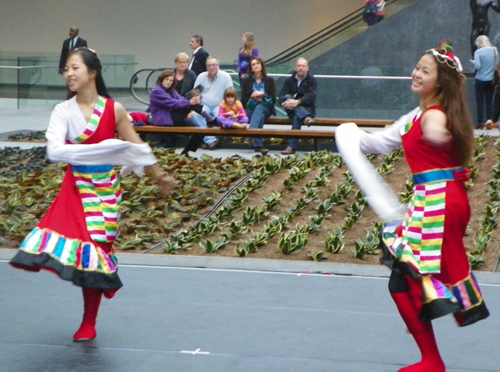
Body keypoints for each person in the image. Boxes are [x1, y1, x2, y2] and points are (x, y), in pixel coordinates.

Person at [336, 47, 489, 372]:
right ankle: (428, 347)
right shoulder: (415, 115)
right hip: (434, 200)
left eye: (426, 71)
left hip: (440, 201)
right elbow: (378, 144)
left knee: (405, 275)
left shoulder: (435, 113)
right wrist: (348, 133)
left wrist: (437, 133)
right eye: (417, 67)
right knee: (407, 276)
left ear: (440, 81)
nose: (417, 74)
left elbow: (435, 126)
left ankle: (431, 358)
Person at [9, 47, 174, 342]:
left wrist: (159, 174)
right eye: (66, 69)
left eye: (74, 67)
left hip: (107, 189)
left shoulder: (114, 109)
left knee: (98, 253)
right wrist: (110, 149)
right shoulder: (63, 111)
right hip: (76, 188)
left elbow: (136, 146)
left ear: (93, 72)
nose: (69, 74)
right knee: (87, 250)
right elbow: (55, 151)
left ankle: (90, 319)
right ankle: (88, 319)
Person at [149, 70, 205, 154]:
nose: (169, 82)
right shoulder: (156, 91)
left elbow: (181, 100)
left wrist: (192, 101)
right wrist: (190, 102)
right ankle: (210, 119)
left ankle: (186, 152)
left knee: (200, 131)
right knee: (190, 104)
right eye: (167, 79)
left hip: (174, 118)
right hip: (164, 119)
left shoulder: (172, 91)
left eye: (171, 80)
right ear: (161, 79)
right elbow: (172, 103)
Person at [279, 57, 317, 155]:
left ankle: (291, 147)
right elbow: (281, 96)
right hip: (291, 110)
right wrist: (283, 103)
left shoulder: (312, 80)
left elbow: (311, 96)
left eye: (303, 66)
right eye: (299, 66)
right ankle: (305, 118)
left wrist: (298, 102)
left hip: (307, 109)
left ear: (307, 68)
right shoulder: (289, 81)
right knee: (287, 96)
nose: (301, 68)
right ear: (295, 68)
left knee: (297, 116)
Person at [194, 56, 234, 149]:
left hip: (220, 106)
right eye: (209, 65)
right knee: (196, 116)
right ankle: (211, 140)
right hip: (204, 105)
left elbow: (230, 94)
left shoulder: (225, 77)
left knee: (222, 118)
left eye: (214, 65)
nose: (211, 67)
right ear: (206, 67)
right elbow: (195, 94)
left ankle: (204, 140)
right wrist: (197, 99)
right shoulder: (201, 77)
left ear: (218, 66)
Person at [240, 57, 276, 153]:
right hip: (250, 108)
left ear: (261, 66)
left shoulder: (269, 80)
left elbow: (273, 98)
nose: (256, 65)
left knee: (260, 108)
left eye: (257, 63)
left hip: (266, 107)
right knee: (259, 114)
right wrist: (251, 96)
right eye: (253, 64)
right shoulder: (247, 81)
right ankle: (258, 145)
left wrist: (263, 96)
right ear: (251, 68)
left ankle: (249, 136)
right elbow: (243, 100)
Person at [472, 35, 498, 127]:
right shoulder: (494, 50)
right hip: (491, 79)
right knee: (489, 101)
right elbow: (497, 63)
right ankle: (489, 122)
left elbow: (478, 66)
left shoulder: (478, 52)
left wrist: (474, 63)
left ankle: (480, 122)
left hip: (480, 79)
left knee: (480, 101)